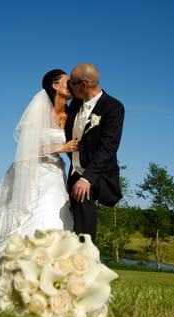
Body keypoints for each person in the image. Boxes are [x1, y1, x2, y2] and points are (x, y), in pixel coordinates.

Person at [0, 69, 79, 265]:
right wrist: (61, 147)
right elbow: (28, 148)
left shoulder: (72, 114)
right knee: (34, 210)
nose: (72, 85)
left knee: (57, 212)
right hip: (34, 170)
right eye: (68, 82)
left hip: (56, 171)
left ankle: (54, 260)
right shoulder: (40, 111)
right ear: (55, 85)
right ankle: (24, 256)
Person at [65, 63, 125, 243]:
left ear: (83, 84)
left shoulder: (113, 107)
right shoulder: (75, 104)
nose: (69, 87)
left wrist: (87, 179)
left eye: (71, 83)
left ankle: (86, 263)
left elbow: (109, 146)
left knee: (84, 221)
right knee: (69, 219)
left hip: (94, 174)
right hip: (73, 171)